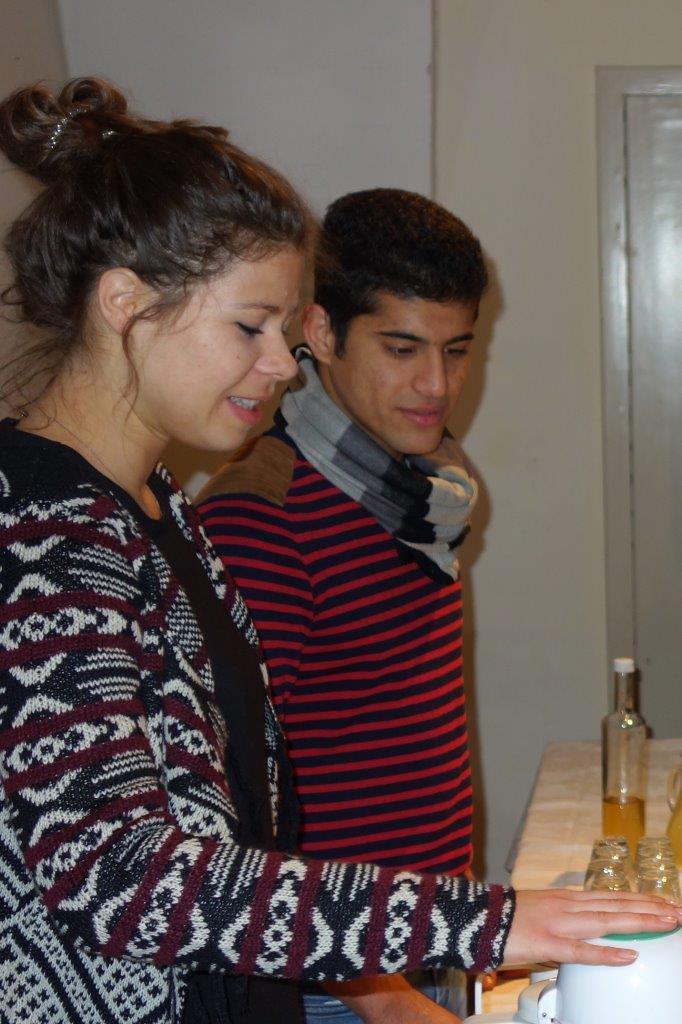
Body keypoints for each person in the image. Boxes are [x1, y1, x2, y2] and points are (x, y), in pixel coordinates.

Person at [0, 79, 679, 1024]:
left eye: (284, 332)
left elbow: (249, 810)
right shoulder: (41, 530)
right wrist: (478, 925)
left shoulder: (153, 506)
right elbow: (119, 877)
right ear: (125, 304)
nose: (284, 364)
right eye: (250, 327)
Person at [193, 189, 664, 1023]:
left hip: (433, 941)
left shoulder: (424, 497)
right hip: (339, 985)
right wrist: (382, 997)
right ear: (321, 333)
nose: (436, 385)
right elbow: (237, 816)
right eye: (402, 348)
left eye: (457, 350)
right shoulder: (262, 520)